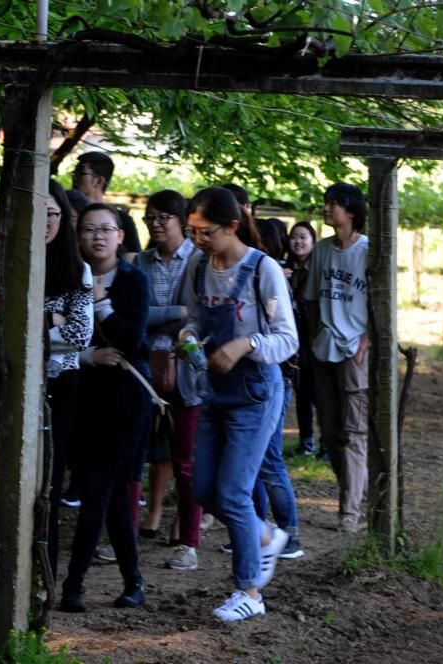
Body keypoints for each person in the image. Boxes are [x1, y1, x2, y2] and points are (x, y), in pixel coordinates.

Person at [179, 186, 297, 622]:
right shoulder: (197, 266)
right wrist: (188, 338)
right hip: (214, 390)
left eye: (204, 231)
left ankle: (249, 592)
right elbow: (192, 318)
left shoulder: (263, 270)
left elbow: (288, 338)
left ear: (231, 226)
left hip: (257, 393)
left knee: (232, 491)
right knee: (203, 488)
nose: (196, 239)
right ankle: (264, 534)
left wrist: (245, 344)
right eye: (191, 230)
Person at [59, 203, 150, 613]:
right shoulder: (66, 274)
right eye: (89, 229)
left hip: (125, 399)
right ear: (77, 235)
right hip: (81, 394)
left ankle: (72, 586)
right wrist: (89, 352)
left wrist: (101, 303)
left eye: (106, 229)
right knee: (109, 498)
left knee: (97, 492)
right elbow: (61, 332)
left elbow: (131, 340)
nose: (98, 236)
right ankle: (134, 582)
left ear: (120, 235)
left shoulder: (134, 280)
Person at [131, 190, 206, 572]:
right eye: (150, 218)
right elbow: (133, 314)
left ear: (182, 220)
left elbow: (197, 315)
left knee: (186, 461)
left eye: (164, 217)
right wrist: (172, 312)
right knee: (133, 455)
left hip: (187, 371)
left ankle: (189, 542)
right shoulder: (140, 262)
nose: (156, 224)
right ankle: (125, 536)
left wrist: (157, 315)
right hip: (143, 367)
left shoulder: (199, 261)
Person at [304, 184, 369, 534]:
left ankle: (350, 511)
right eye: (326, 203)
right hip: (324, 348)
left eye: (334, 205)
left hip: (354, 350)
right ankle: (358, 494)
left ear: (352, 211)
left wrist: (366, 340)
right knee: (329, 432)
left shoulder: (369, 251)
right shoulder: (324, 250)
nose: (327, 209)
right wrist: (316, 336)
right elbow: (313, 299)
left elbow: (382, 302)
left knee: (354, 432)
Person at [41, 179, 93, 580]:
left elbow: (80, 334)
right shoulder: (0, 265)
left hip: (62, 385)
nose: (44, 221)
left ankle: (44, 576)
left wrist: (35, 324)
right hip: (11, 383)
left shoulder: (79, 269)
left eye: (53, 213)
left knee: (51, 484)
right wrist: (54, 320)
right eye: (36, 212)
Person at [253, 217, 304, 560]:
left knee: (269, 458)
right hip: (266, 378)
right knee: (256, 460)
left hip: (277, 378)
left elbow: (285, 338)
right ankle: (258, 530)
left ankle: (289, 533)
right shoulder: (264, 275)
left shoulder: (271, 277)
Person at [285, 221, 318, 456]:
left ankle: (327, 443)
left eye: (303, 237)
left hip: (314, 340)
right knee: (302, 394)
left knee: (320, 395)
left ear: (313, 242)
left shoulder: (318, 271)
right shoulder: (282, 270)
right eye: (294, 237)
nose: (298, 242)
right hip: (293, 343)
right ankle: (306, 443)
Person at [70, 152, 141, 254]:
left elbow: (133, 258)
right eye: (74, 173)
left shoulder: (123, 220)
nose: (74, 178)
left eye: (81, 173)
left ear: (99, 181)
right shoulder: (65, 213)